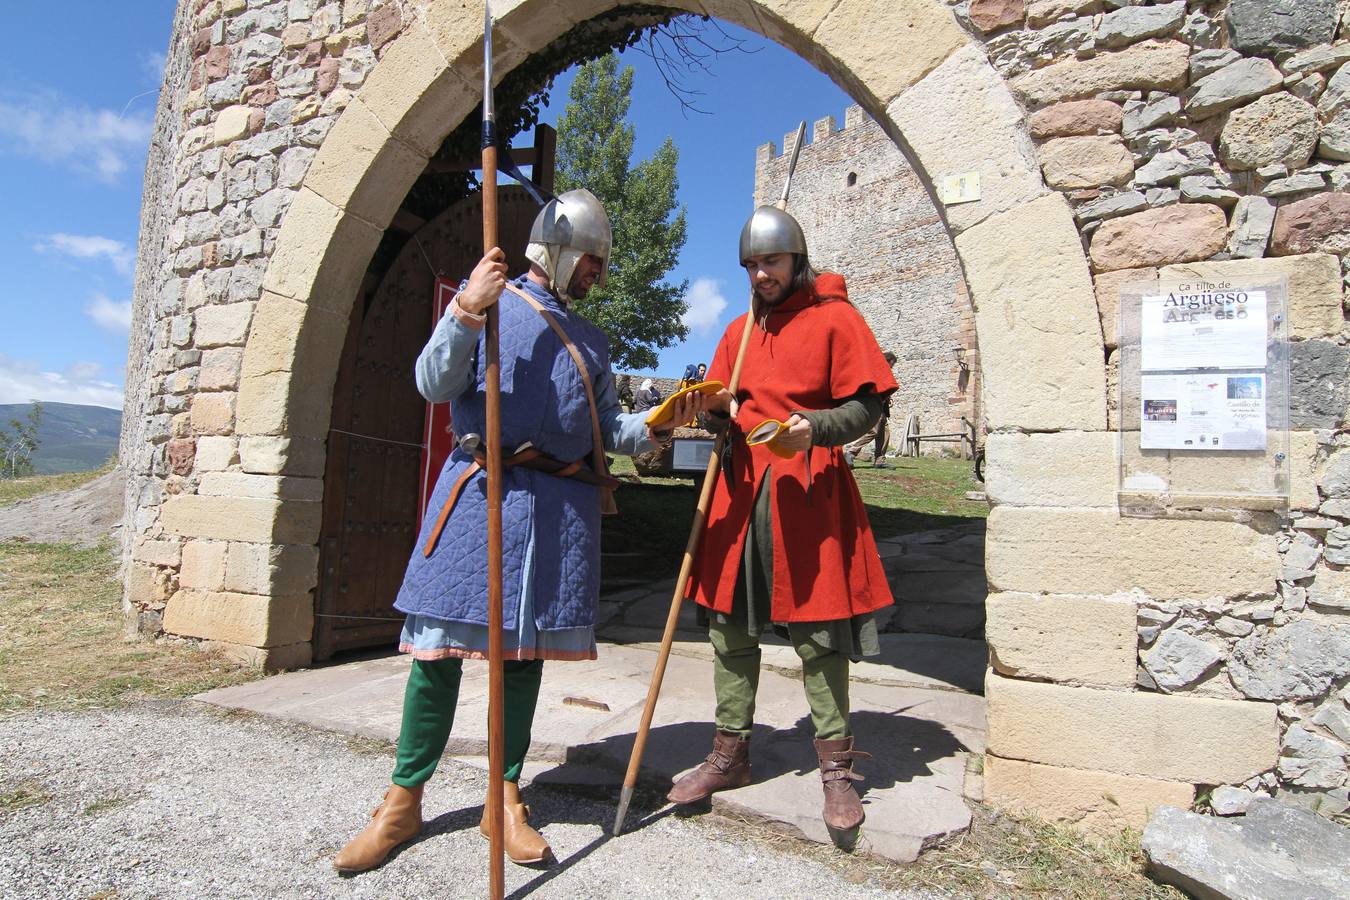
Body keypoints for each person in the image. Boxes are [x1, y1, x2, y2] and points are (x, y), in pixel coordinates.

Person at [333, 189, 707, 874]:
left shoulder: (592, 341)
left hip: (555, 510)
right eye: (590, 259)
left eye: (600, 262)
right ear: (557, 251)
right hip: (481, 495)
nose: (597, 272)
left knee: (524, 660)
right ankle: (402, 803)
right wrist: (467, 308)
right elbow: (431, 382)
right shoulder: (492, 305)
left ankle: (502, 799)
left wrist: (657, 429)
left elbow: (603, 428)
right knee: (438, 653)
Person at [667, 204, 897, 837]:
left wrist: (814, 429)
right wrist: (712, 413)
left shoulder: (836, 320)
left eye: (770, 261)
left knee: (819, 634)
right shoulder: (738, 333)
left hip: (807, 491)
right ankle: (730, 753)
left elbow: (867, 406)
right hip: (738, 494)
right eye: (751, 265)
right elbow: (721, 407)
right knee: (728, 626)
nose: (760, 275)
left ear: (796, 258)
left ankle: (836, 770)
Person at [844, 350, 897, 468]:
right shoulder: (876, 372)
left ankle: (880, 460)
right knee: (873, 431)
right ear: (887, 361)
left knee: (884, 434)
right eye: (892, 365)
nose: (892, 368)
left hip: (882, 408)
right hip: (875, 407)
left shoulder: (882, 373)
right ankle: (851, 452)